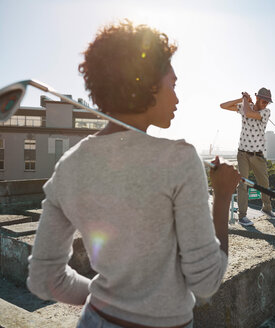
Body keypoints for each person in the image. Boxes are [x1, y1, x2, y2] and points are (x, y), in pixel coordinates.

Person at [27, 21, 241, 328]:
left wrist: (108, 298)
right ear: (149, 82)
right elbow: (206, 282)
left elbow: (44, 280)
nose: (177, 98)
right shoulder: (179, 158)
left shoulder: (69, 165)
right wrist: (222, 198)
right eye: (173, 85)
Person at [220, 88, 275, 226]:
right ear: (257, 98)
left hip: (258, 155)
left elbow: (249, 113)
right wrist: (242, 99)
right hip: (243, 154)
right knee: (242, 185)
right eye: (264, 101)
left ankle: (267, 208)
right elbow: (223, 106)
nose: (265, 104)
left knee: (265, 184)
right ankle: (242, 216)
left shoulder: (265, 112)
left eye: (268, 102)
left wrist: (245, 101)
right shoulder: (246, 106)